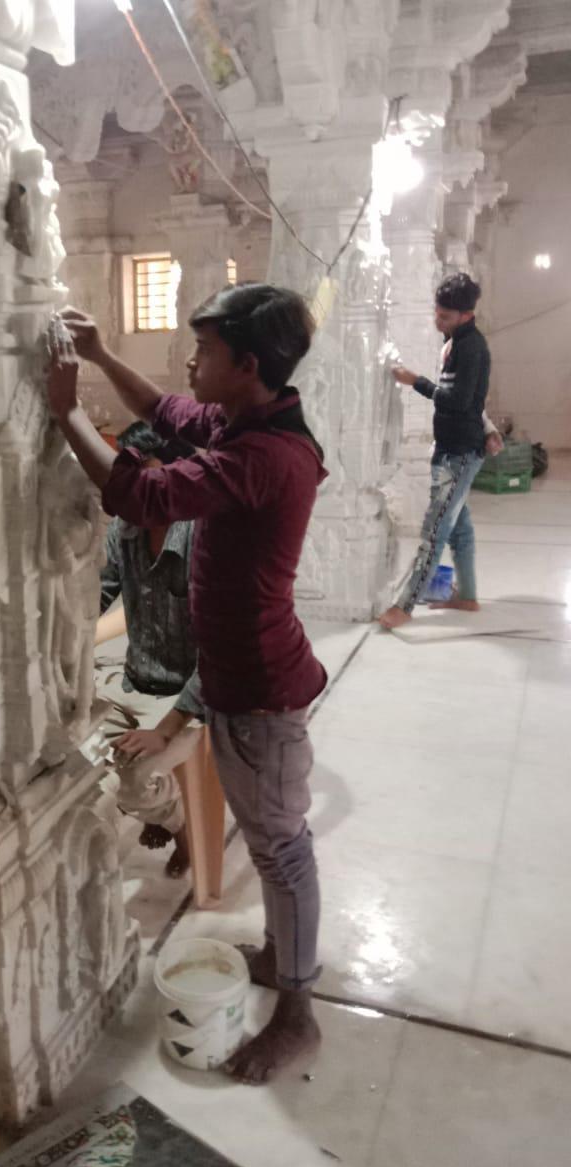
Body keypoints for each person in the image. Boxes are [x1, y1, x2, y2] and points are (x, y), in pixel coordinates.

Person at [45, 286, 328, 1085]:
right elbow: (169, 413)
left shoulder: (261, 456)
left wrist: (68, 414)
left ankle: (298, 1018)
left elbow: (141, 493)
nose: (190, 362)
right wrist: (99, 357)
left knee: (282, 850)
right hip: (241, 685)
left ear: (247, 365)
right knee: (275, 847)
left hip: (262, 690)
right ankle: (281, 959)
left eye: (204, 351)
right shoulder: (250, 421)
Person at [97, 422, 203, 879]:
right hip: (135, 681)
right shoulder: (125, 530)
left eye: (145, 476)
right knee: (67, 753)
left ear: (177, 474)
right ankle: (158, 809)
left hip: (192, 699)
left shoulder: (206, 538)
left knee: (135, 780)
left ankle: (184, 833)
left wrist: (165, 729)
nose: (133, 490)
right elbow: (96, 596)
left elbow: (223, 656)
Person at [380, 273, 495, 630]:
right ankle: (468, 596)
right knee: (458, 526)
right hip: (452, 447)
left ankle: (405, 605)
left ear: (465, 315)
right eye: (437, 313)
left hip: (459, 453)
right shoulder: (455, 342)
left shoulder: (471, 348)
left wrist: (417, 382)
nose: (437, 320)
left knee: (436, 528)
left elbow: (460, 402)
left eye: (445, 317)